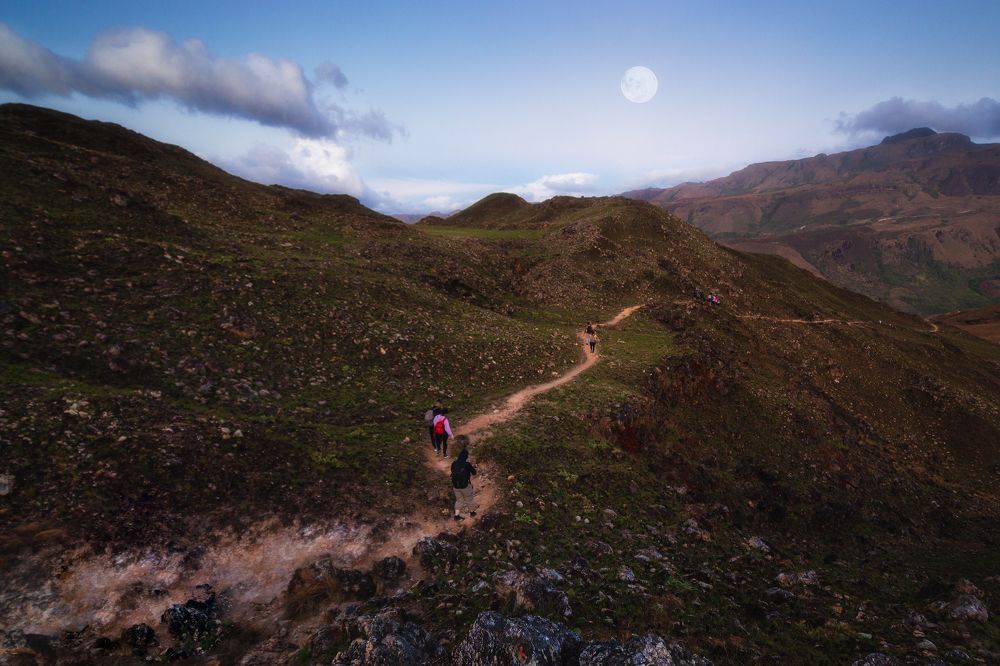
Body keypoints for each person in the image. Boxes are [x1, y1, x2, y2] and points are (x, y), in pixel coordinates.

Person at [451, 442, 477, 521]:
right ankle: (472, 513)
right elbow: (474, 472)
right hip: (465, 485)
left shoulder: (454, 463)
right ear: (466, 456)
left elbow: (452, 472)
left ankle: (456, 516)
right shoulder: (467, 464)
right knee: (469, 498)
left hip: (455, 486)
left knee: (459, 500)